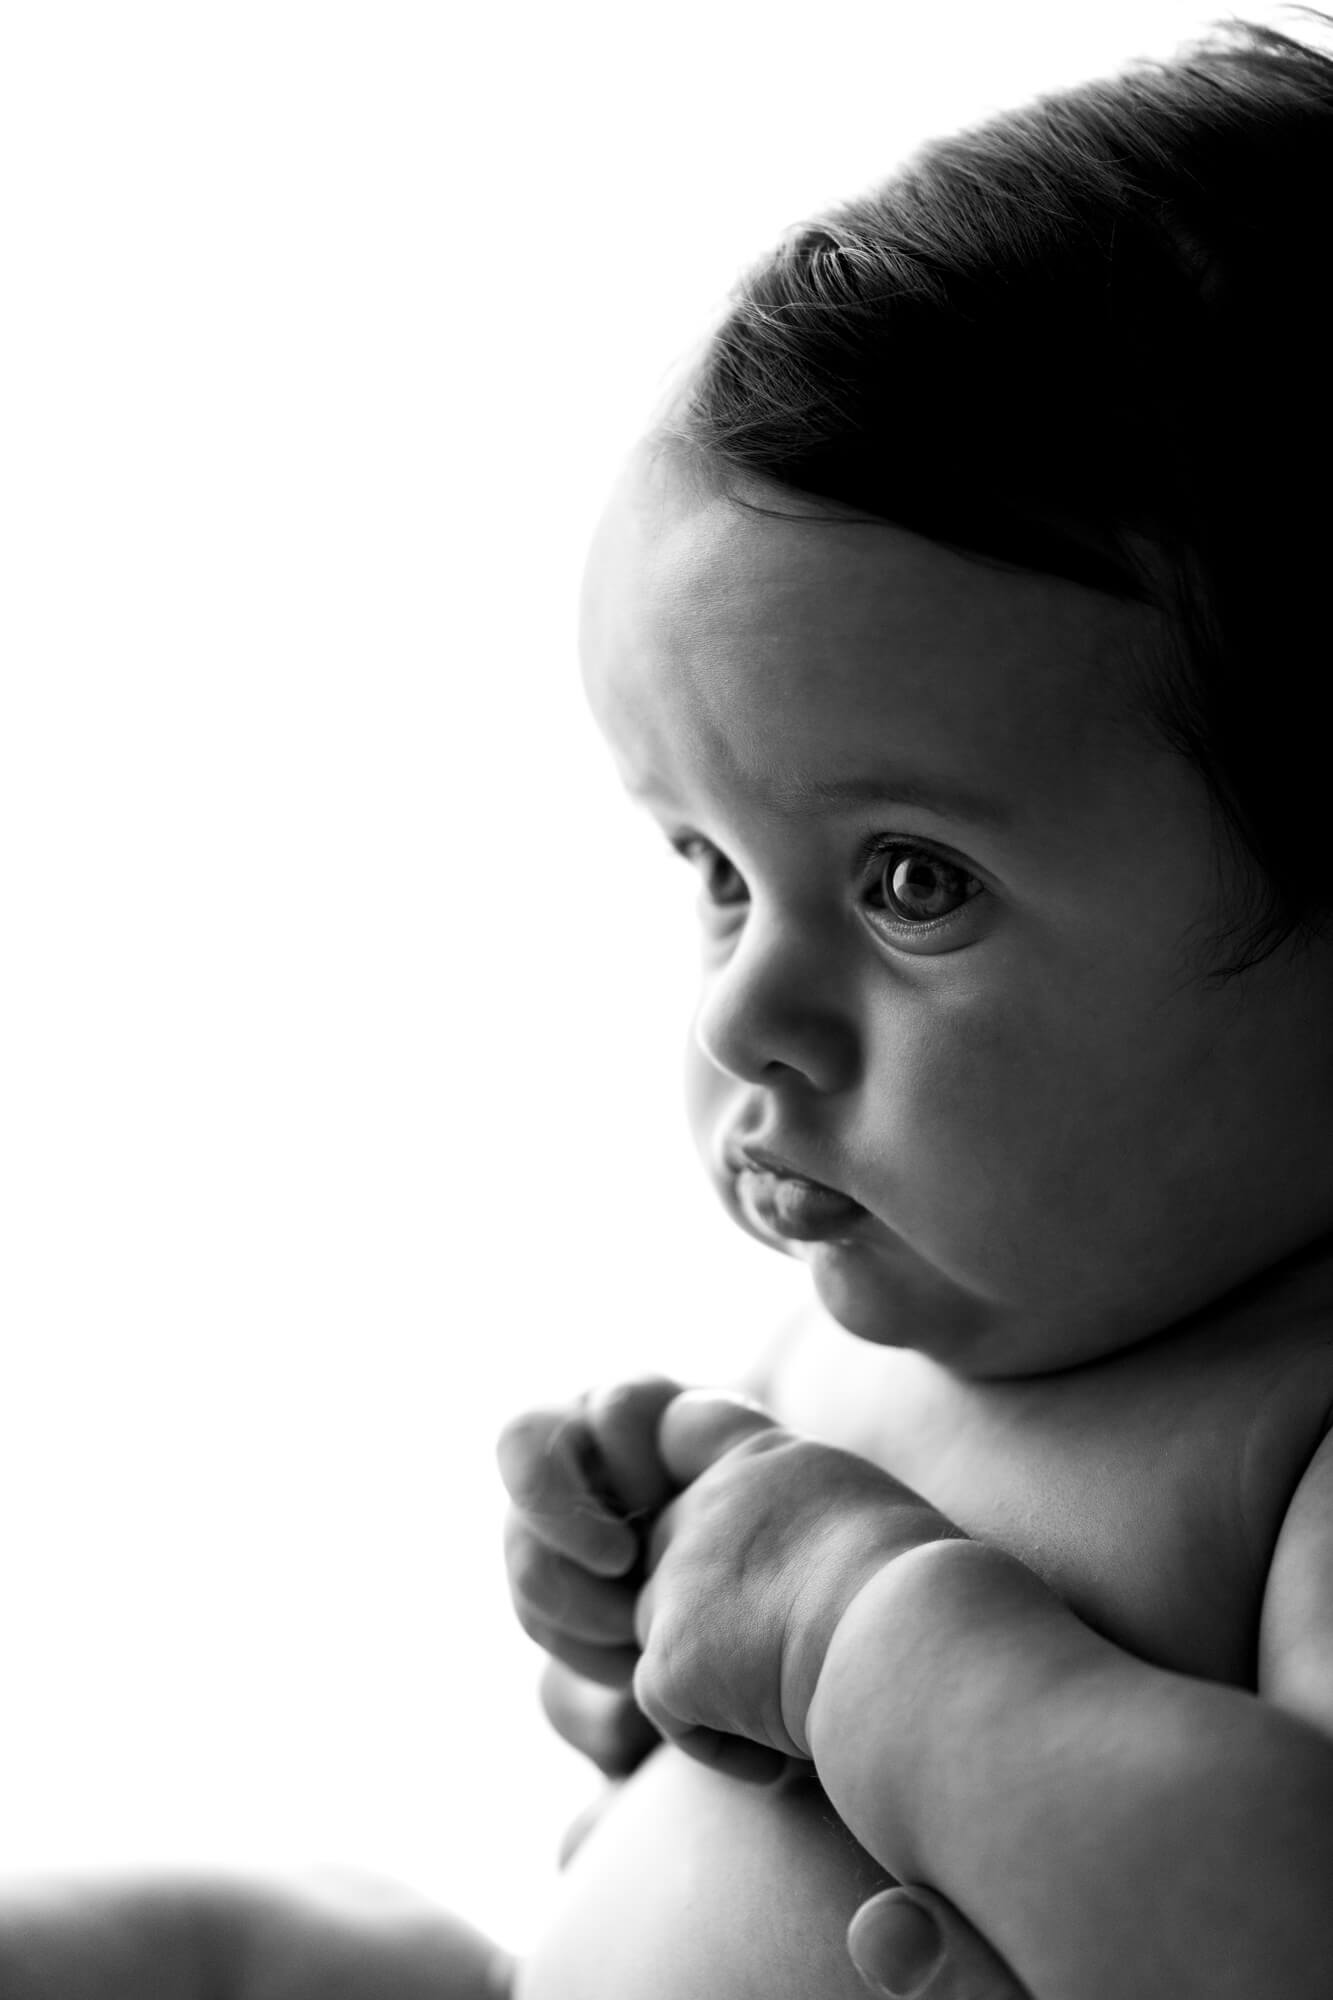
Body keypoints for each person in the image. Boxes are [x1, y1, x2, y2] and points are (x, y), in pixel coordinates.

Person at [4, 16, 1330, 2000]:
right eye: (711, 871)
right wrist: (655, 1656)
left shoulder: (1300, 1438)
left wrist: (854, 1631)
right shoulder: (935, 1304)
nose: (741, 1019)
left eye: (907, 882)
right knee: (248, 1941)